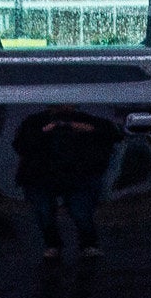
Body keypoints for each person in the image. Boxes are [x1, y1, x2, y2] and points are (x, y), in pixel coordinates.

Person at [12, 104, 121, 259]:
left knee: (81, 212)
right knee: (44, 213)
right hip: (40, 177)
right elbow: (20, 145)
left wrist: (86, 129)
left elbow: (113, 135)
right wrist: (45, 131)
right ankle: (53, 245)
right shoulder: (35, 121)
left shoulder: (87, 120)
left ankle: (89, 245)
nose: (63, 107)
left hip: (78, 176)